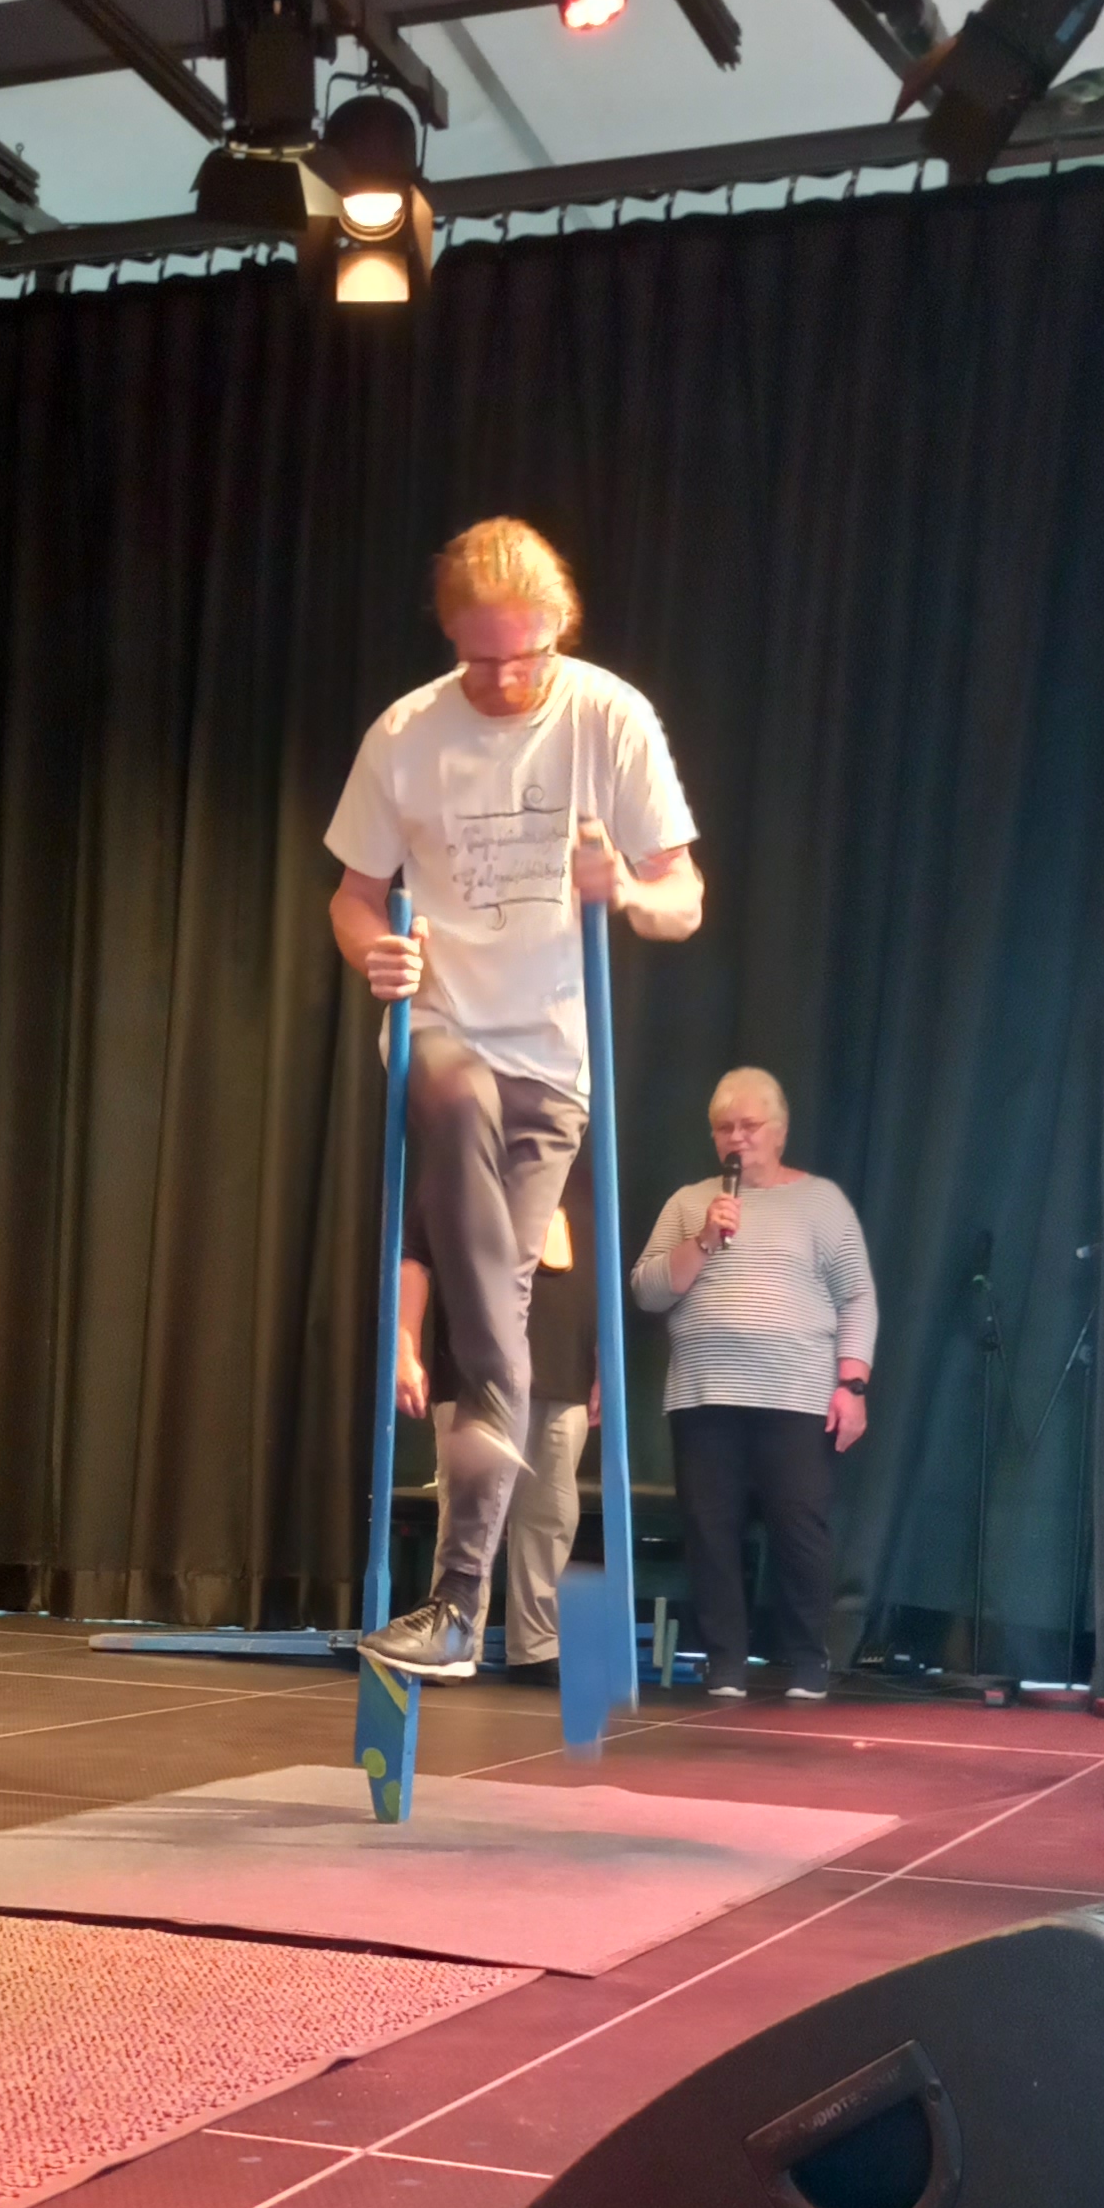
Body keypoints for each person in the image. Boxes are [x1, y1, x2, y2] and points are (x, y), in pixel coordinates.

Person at [327, 515, 700, 1680]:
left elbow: (683, 895)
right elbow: (353, 896)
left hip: (551, 1062)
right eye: (478, 657)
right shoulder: (405, 733)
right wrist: (374, 954)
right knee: (448, 1097)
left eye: (525, 656)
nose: (502, 680)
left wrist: (625, 889)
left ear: (559, 631)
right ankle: (451, 1605)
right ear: (449, 635)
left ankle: (455, 1612)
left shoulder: (608, 716)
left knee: (496, 1314)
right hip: (442, 1032)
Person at [631, 1067, 876, 1706]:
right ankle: (725, 1663)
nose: (736, 1138)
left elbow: (857, 1296)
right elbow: (647, 1290)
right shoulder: (690, 1203)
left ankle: (807, 1660)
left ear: (780, 1131)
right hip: (704, 1394)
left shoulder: (821, 1202)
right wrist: (704, 1239)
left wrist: (852, 1384)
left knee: (800, 1530)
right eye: (724, 1128)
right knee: (710, 1533)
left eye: (749, 1125)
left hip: (796, 1396)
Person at [398, 1151, 598, 1676]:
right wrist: (405, 1346)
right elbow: (414, 1257)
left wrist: (602, 1364)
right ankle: (455, 1638)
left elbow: (594, 1274)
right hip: (476, 1367)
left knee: (550, 1514)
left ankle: (538, 1647)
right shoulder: (458, 1162)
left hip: (562, 1367)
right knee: (469, 1510)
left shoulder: (578, 1176)